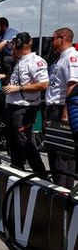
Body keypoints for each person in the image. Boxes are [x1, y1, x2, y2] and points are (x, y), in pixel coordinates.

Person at [0, 33, 49, 179]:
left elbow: (43, 84)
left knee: (24, 141)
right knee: (13, 141)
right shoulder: (20, 61)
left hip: (25, 108)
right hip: (13, 107)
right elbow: (19, 80)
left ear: (23, 44)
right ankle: (17, 171)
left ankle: (42, 175)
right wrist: (5, 78)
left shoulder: (36, 61)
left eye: (15, 44)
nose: (13, 47)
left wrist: (19, 89)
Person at [45, 27, 78, 187]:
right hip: (53, 110)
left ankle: (63, 191)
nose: (52, 42)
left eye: (53, 39)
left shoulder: (72, 57)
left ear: (63, 38)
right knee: (53, 152)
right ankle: (59, 186)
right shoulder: (60, 59)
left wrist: (65, 115)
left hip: (62, 111)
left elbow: (72, 85)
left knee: (62, 155)